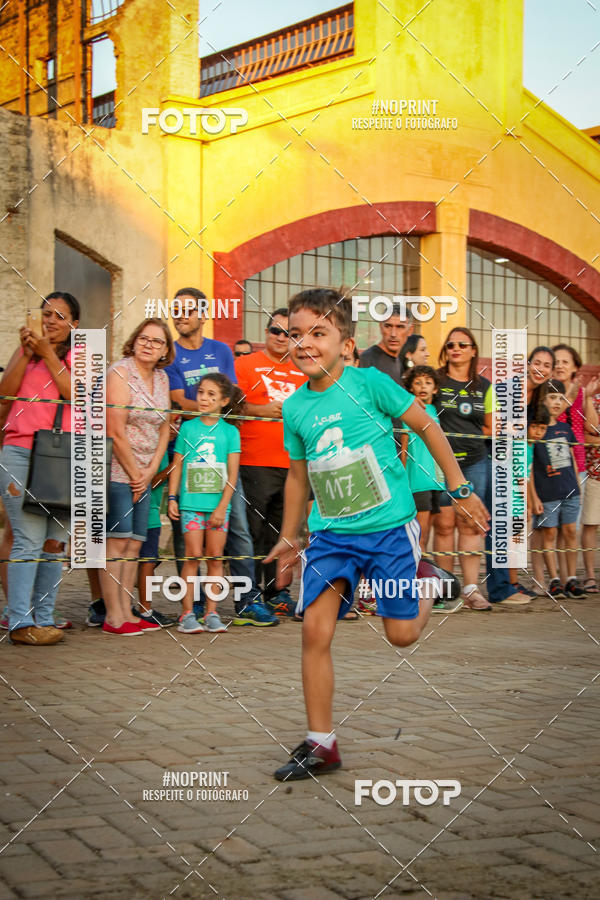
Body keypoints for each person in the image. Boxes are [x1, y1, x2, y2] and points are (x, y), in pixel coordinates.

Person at [264, 288, 489, 781]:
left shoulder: (370, 384)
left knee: (401, 636)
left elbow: (427, 426)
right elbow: (299, 477)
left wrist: (460, 489)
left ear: (346, 344)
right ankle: (321, 744)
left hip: (388, 530)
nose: (304, 343)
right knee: (314, 630)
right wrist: (290, 535)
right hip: (330, 536)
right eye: (295, 334)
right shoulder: (295, 407)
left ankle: (427, 580)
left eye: (318, 333)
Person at [165, 288, 277, 627]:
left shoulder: (221, 351)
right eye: (176, 309)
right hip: (189, 458)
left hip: (223, 457)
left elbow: (233, 396)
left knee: (239, 530)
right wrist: (208, 405)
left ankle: (246, 601)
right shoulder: (171, 355)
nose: (180, 315)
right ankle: (195, 606)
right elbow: (179, 402)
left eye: (188, 310)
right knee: (187, 541)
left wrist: (215, 407)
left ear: (203, 315)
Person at [0, 292, 79, 645]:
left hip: (63, 456)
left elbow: (74, 394)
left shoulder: (80, 356)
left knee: (54, 543)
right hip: (19, 452)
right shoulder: (25, 352)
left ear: (74, 324)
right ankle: (20, 623)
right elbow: (6, 394)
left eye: (60, 316)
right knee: (28, 540)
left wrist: (48, 354)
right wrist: (27, 353)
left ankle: (44, 618)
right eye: (46, 314)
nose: (50, 321)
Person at [433, 328, 529, 609]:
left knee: (472, 523)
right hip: (440, 464)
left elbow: (491, 427)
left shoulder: (485, 386)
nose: (456, 349)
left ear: (473, 350)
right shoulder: (436, 380)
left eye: (462, 345)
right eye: (451, 345)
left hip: (475, 462)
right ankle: (444, 591)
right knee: (444, 526)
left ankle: (471, 591)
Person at [101, 318, 173, 636]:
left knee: (134, 544)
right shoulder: (120, 373)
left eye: (157, 341)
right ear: (134, 340)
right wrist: (135, 476)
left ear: (165, 350)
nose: (149, 345)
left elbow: (165, 427)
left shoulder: (162, 378)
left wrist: (151, 471)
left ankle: (127, 611)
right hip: (119, 471)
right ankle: (113, 616)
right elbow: (115, 431)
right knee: (117, 543)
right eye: (144, 338)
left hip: (146, 472)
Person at [235, 309, 307, 616]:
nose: (281, 337)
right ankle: (249, 596)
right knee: (252, 532)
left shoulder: (304, 368)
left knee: (284, 532)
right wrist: (260, 410)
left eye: (289, 333)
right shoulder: (245, 364)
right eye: (276, 331)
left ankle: (277, 592)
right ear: (266, 333)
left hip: (293, 464)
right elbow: (229, 404)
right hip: (255, 460)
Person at [168, 374, 242, 633]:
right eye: (201, 392)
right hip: (191, 506)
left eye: (212, 394)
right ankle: (187, 614)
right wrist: (172, 497)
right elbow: (177, 465)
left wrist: (223, 507)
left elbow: (232, 475)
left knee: (215, 559)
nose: (204, 398)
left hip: (218, 508)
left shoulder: (230, 432)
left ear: (224, 401)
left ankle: (212, 613)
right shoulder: (188, 428)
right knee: (192, 557)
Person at [532, 380, 584, 598]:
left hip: (570, 491)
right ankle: (554, 580)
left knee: (570, 532)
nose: (557, 402)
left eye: (561, 398)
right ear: (542, 400)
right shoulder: (537, 430)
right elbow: (530, 467)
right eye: (552, 397)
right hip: (547, 494)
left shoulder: (566, 429)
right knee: (550, 534)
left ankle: (570, 578)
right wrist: (534, 497)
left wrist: (577, 488)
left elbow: (572, 460)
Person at [552, 346, 599, 585]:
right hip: (549, 467)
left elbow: (593, 428)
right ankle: (556, 578)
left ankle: (569, 577)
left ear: (575, 367)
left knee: (570, 527)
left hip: (577, 466)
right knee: (552, 528)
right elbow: (552, 415)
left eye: (565, 362)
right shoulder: (548, 392)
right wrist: (570, 395)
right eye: (556, 361)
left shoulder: (581, 393)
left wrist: (587, 397)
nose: (560, 365)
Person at [133, 448, 178, 627]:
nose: (174, 433)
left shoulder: (163, 449)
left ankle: (141, 608)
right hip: (147, 511)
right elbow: (149, 483)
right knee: (147, 562)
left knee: (148, 562)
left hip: (151, 510)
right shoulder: (152, 448)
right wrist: (173, 467)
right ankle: (145, 610)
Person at [508, 407, 549, 593]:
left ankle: (513, 581)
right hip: (512, 500)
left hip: (518, 499)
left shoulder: (529, 446)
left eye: (543, 428)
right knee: (514, 541)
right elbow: (520, 479)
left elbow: (528, 476)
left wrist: (533, 500)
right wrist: (525, 505)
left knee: (516, 541)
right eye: (534, 427)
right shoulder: (521, 446)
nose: (538, 432)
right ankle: (513, 583)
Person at [526, 347, 557, 590]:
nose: (541, 369)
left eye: (547, 365)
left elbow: (526, 471)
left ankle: (511, 583)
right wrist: (531, 498)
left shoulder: (539, 399)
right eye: (537, 363)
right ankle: (503, 585)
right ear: (528, 364)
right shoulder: (515, 392)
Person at [581, 377, 600, 593]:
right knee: (591, 524)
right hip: (595, 474)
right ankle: (590, 576)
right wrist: (587, 397)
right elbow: (588, 433)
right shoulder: (593, 401)